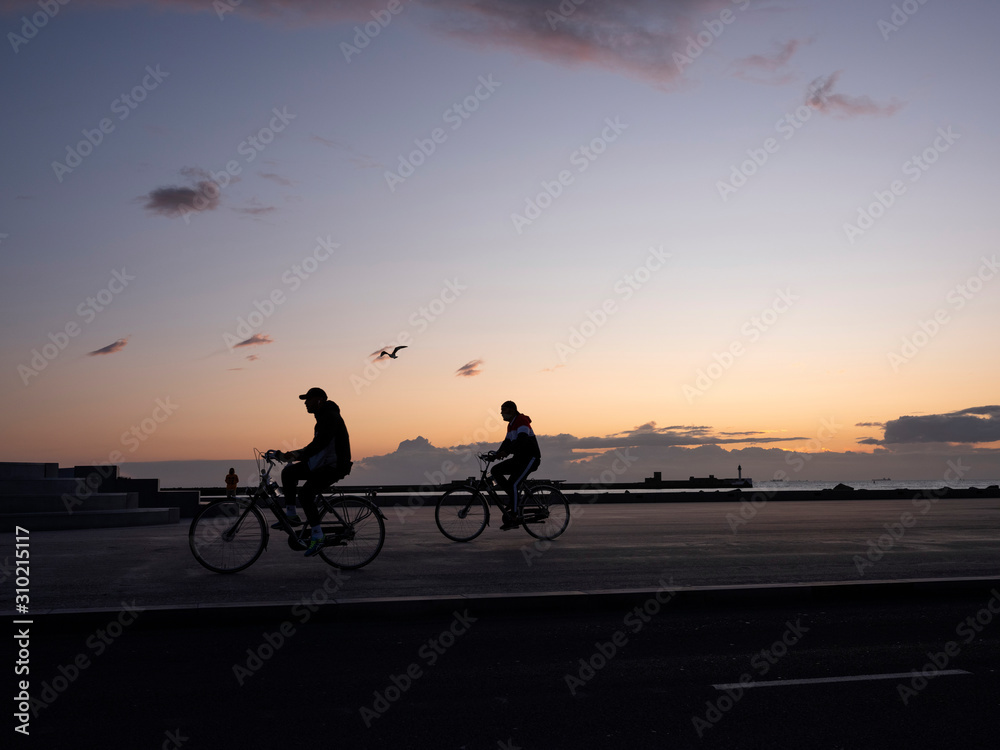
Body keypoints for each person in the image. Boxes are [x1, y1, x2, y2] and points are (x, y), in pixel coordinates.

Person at [274, 387, 353, 556]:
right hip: (322, 464)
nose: (305, 403)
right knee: (288, 473)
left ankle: (318, 536)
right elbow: (316, 447)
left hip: (334, 466)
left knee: (305, 494)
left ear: (319, 400)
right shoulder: (322, 418)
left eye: (308, 399)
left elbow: (319, 445)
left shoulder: (330, 417)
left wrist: (295, 455)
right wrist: (293, 455)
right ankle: (291, 515)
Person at [488, 400, 541, 530]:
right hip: (519, 459)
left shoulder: (522, 420)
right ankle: (514, 498)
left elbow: (522, 441)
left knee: (514, 484)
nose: (501, 413)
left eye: (503, 410)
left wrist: (505, 452)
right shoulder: (511, 425)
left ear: (511, 410)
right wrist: (495, 454)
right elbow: (506, 442)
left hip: (530, 459)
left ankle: (514, 516)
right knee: (496, 470)